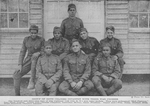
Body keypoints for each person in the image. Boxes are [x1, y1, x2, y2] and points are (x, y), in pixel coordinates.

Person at [13, 25, 45, 95]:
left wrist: (38, 53)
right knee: (16, 74)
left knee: (38, 78)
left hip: (39, 60)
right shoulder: (26, 39)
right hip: (29, 59)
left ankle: (33, 83)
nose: (33, 34)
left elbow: (44, 51)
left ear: (37, 33)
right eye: (32, 33)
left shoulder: (41, 39)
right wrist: (20, 64)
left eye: (35, 33)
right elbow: (22, 51)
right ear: (29, 32)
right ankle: (17, 95)